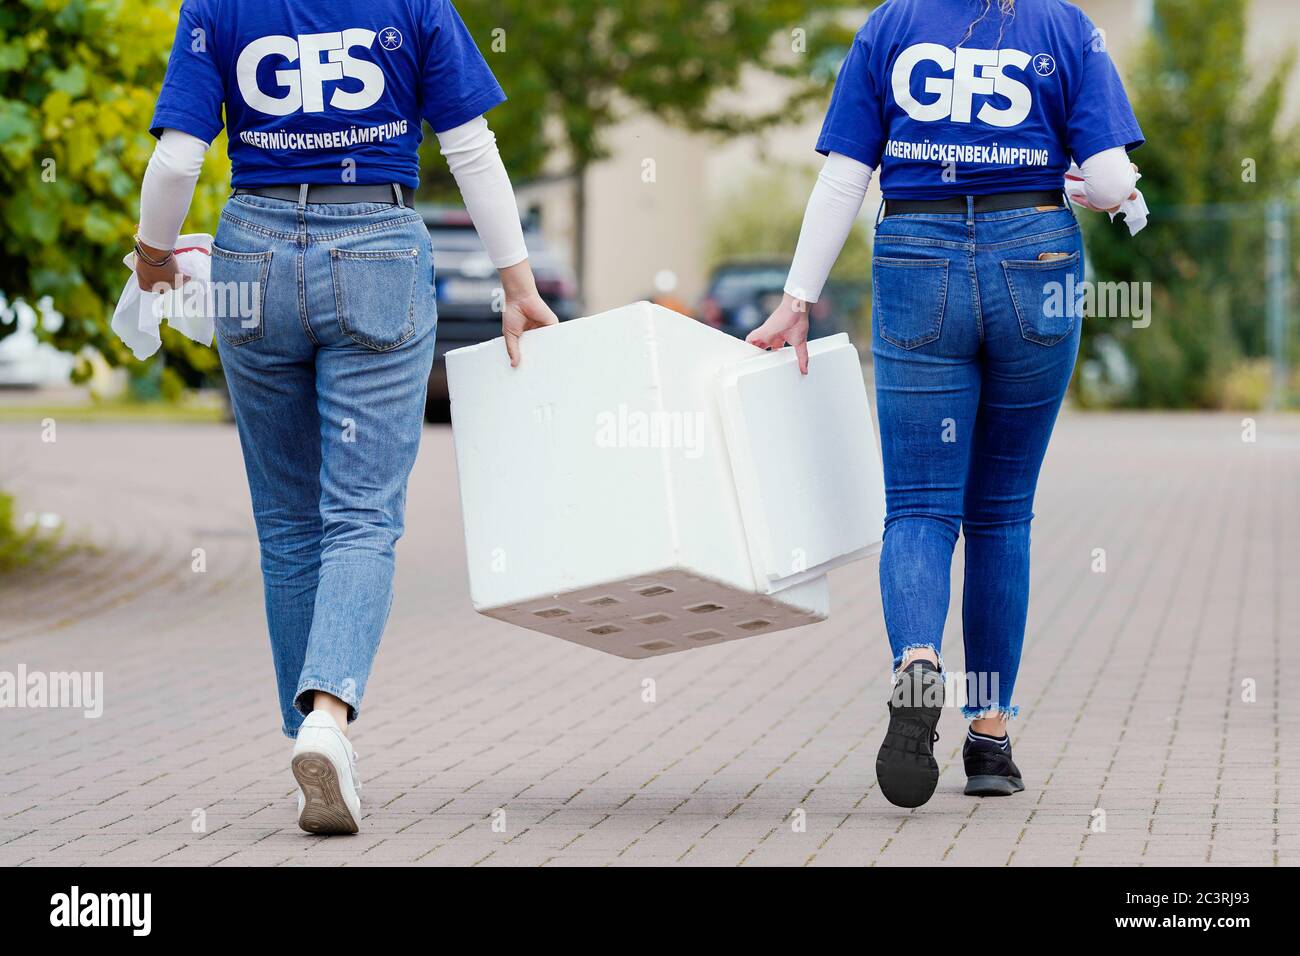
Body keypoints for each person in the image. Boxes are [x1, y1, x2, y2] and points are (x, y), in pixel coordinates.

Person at [134, 0, 557, 834]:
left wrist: (154, 255)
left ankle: (310, 745)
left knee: (288, 523)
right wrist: (517, 283)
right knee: (360, 516)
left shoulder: (216, 6)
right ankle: (329, 719)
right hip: (375, 244)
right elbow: (471, 147)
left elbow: (180, 156)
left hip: (249, 248)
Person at [747, 0, 1142, 808]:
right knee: (1001, 513)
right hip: (1035, 256)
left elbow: (844, 177)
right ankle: (990, 735)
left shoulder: (891, 26)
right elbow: (1107, 178)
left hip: (916, 253)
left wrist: (796, 299)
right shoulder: (1064, 27)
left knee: (921, 508)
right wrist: (1100, 191)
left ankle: (919, 662)